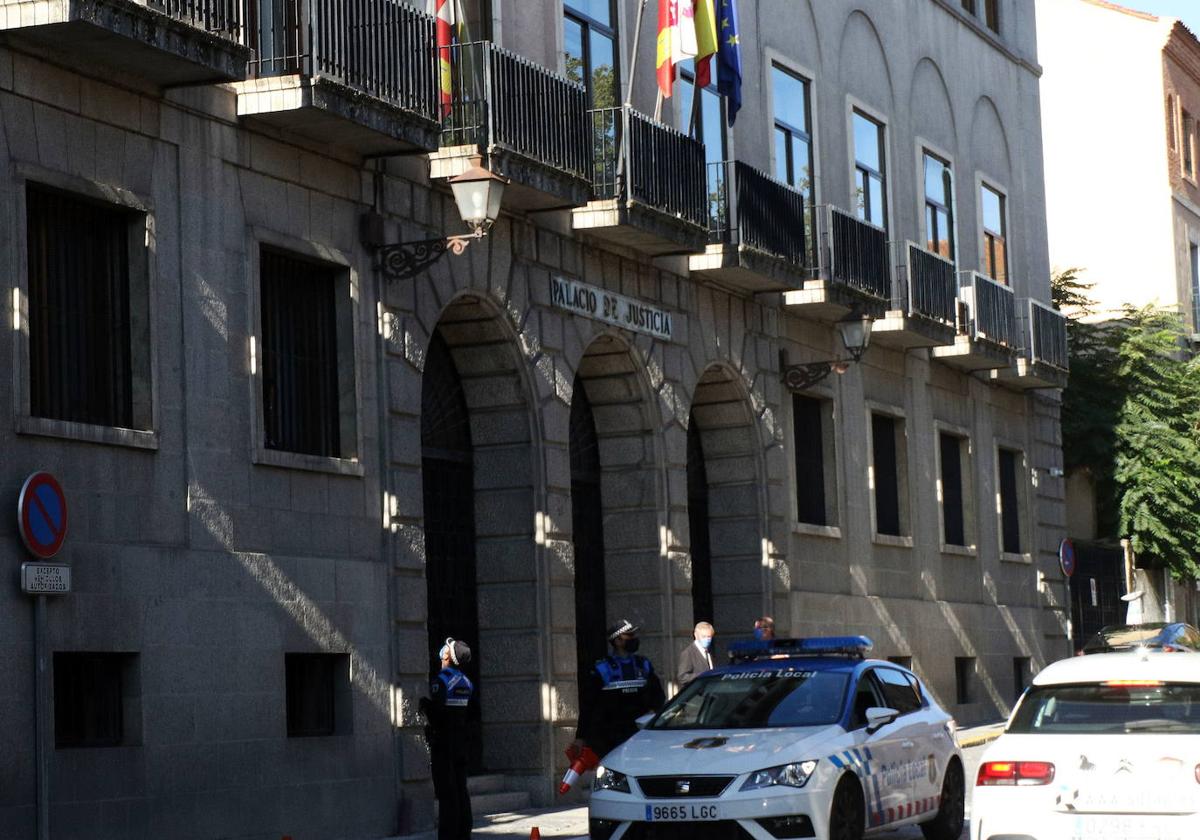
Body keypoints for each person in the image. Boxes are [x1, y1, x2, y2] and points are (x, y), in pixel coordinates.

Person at [574, 619, 666, 758]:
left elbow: (658, 695)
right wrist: (581, 736)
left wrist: (652, 713)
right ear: (617, 641)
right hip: (610, 736)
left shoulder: (643, 664)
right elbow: (588, 705)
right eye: (629, 636)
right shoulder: (602, 668)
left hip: (639, 733)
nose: (634, 639)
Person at [419, 638, 474, 840]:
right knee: (461, 789)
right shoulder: (467, 683)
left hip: (444, 742)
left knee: (446, 794)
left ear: (448, 655)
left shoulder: (441, 680)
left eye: (446, 648)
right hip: (461, 741)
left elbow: (440, 713)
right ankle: (463, 834)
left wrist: (426, 706)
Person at [677, 621, 716, 689]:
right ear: (696, 635)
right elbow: (682, 677)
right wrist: (702, 675)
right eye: (703, 636)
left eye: (709, 637)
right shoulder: (688, 653)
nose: (707, 639)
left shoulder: (709, 652)